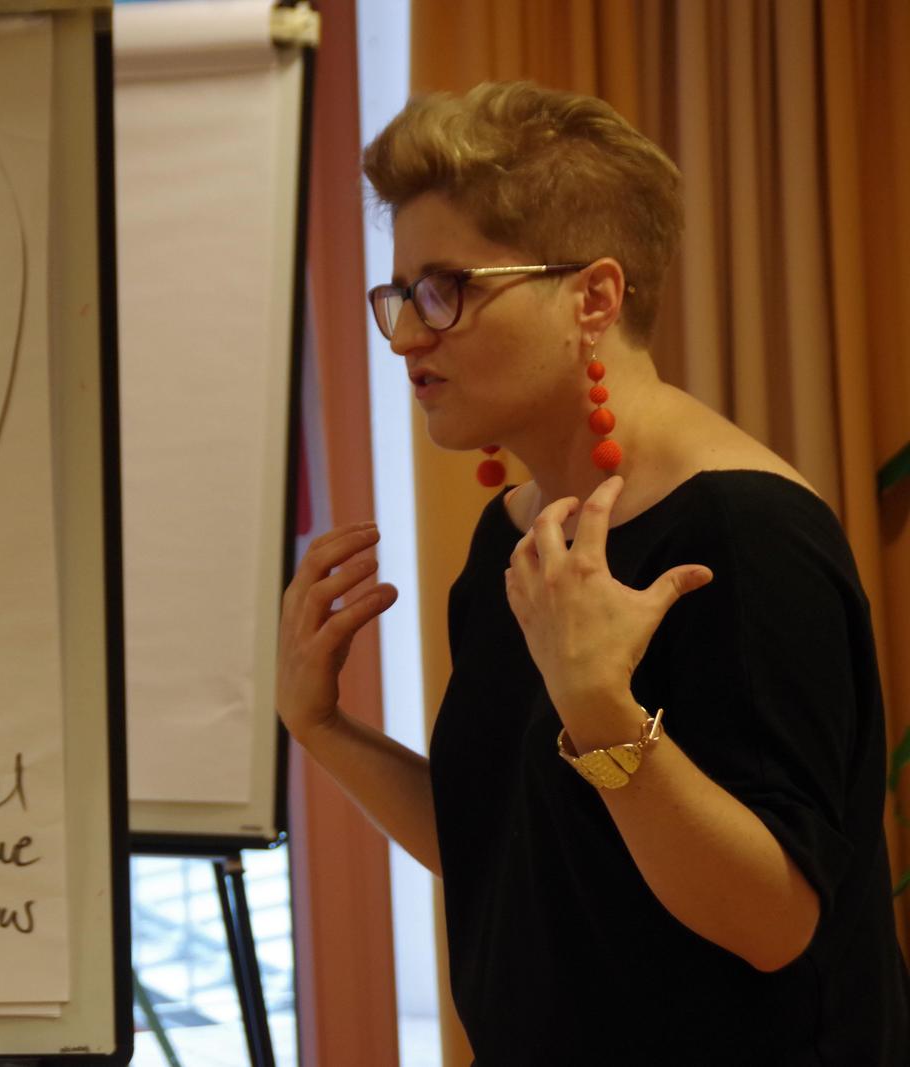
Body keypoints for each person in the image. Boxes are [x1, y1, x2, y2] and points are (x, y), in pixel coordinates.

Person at [275, 81, 910, 1064]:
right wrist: (323, 727)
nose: (405, 335)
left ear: (594, 297)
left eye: (446, 288)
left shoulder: (747, 535)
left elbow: (776, 920)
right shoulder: (513, 535)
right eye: (400, 295)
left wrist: (603, 714)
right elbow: (509, 852)